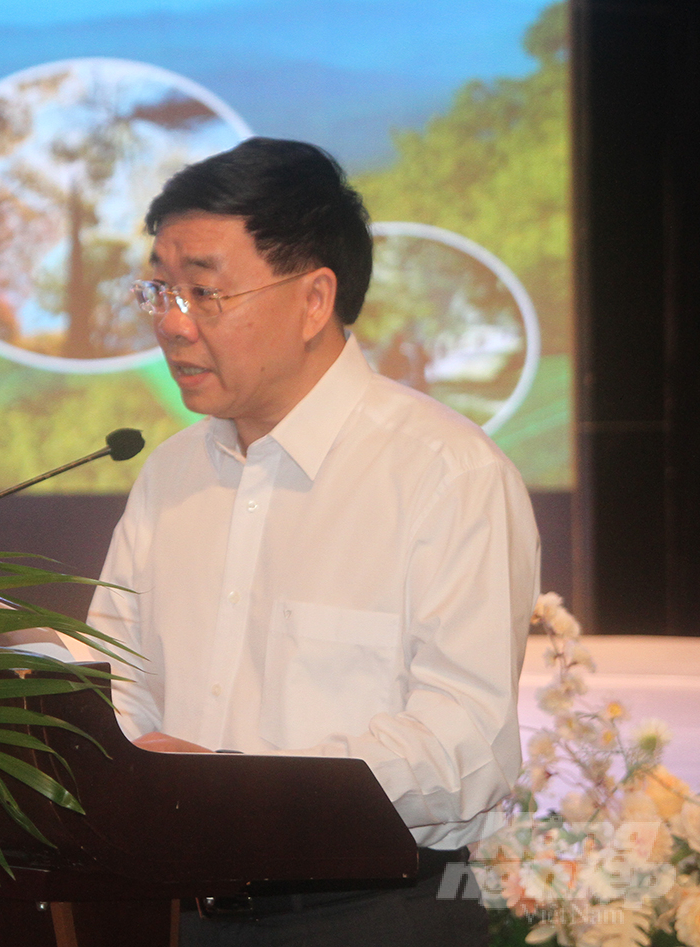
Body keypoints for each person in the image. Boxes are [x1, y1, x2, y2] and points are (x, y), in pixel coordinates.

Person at [68, 138, 540, 946]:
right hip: (194, 916)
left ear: (314, 298)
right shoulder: (172, 474)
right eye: (158, 288)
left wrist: (237, 796)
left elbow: (464, 739)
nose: (170, 324)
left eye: (203, 292)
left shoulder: (446, 472)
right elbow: (118, 679)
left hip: (378, 914)